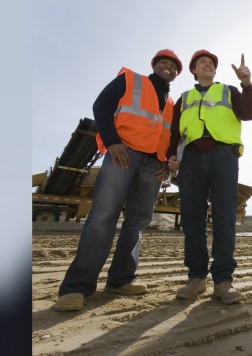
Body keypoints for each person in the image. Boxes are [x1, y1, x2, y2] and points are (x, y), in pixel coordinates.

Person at [53, 49, 182, 311]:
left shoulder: (171, 104)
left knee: (137, 222)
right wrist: (112, 142)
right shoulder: (130, 80)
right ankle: (77, 287)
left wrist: (166, 166)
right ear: (154, 64)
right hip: (122, 155)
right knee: (103, 217)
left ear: (177, 73)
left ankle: (121, 280)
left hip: (153, 166)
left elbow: (172, 137)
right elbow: (101, 105)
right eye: (164, 62)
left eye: (173, 66)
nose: (168, 67)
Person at [167, 49, 252, 304]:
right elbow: (174, 132)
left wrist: (246, 83)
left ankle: (223, 281)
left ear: (215, 71)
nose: (207, 65)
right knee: (192, 220)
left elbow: (250, 113)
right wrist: (170, 156)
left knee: (224, 218)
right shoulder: (184, 98)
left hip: (223, 157)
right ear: (194, 70)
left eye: (211, 63)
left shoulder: (229, 90)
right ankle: (196, 279)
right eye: (202, 62)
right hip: (191, 160)